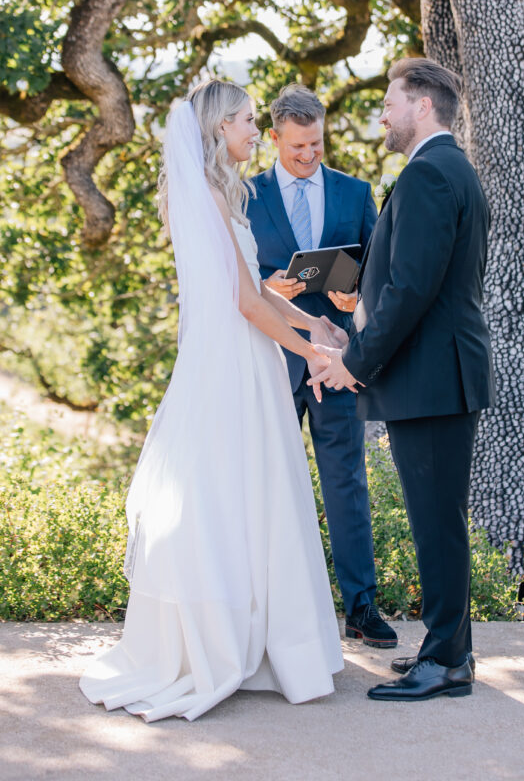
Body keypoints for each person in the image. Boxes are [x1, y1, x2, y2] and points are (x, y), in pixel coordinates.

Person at [79, 79, 344, 721]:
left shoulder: (208, 197)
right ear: (219, 128)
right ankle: (236, 648)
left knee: (238, 496)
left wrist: (317, 326)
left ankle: (249, 642)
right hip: (233, 367)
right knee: (241, 497)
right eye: (249, 121)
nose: (258, 131)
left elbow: (254, 289)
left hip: (231, 359)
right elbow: (245, 302)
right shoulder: (211, 203)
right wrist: (311, 354)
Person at [310, 57, 495, 702]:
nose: (382, 113)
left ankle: (446, 662)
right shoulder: (449, 171)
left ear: (422, 104)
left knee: (437, 520)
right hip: (439, 376)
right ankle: (449, 649)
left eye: (390, 101)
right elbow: (415, 283)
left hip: (435, 380)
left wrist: (354, 363)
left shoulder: (428, 176)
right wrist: (355, 316)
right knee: (437, 517)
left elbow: (414, 291)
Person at [247, 85, 397, 649]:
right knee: (266, 486)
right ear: (275, 138)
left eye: (316, 144)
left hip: (336, 361)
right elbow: (235, 281)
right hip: (269, 361)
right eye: (297, 147)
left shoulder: (355, 192)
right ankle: (267, 612)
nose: (309, 155)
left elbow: (382, 270)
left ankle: (362, 607)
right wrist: (267, 286)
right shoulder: (244, 196)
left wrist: (354, 294)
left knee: (346, 485)